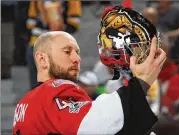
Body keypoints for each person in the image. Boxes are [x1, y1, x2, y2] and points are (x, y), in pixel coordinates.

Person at [13, 6, 166, 135]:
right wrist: (140, 83)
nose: (77, 59)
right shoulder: (53, 94)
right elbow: (94, 121)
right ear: (42, 59)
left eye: (77, 53)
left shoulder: (26, 102)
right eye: (67, 52)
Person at [26, 0, 82, 88]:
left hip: (56, 45)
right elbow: (30, 21)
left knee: (59, 83)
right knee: (37, 85)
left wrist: (57, 27)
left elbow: (74, 23)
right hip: (37, 42)